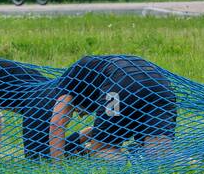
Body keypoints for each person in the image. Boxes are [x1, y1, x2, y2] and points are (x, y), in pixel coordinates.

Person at [45, 55, 177, 161]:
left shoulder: (68, 80)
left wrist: (58, 168)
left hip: (120, 83)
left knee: (102, 148)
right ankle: (192, 162)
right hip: (161, 85)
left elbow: (57, 123)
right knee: (159, 151)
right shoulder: (95, 68)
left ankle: (128, 166)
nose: (79, 115)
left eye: (75, 110)